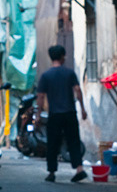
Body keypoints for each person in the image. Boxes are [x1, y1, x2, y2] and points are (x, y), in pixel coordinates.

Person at [35, 44, 87, 183]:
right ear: (62, 57)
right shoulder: (69, 73)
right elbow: (78, 90)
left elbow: (40, 96)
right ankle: (79, 169)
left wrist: (38, 114)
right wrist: (82, 109)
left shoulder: (46, 75)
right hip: (70, 113)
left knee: (53, 143)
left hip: (55, 115)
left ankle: (52, 172)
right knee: (73, 141)